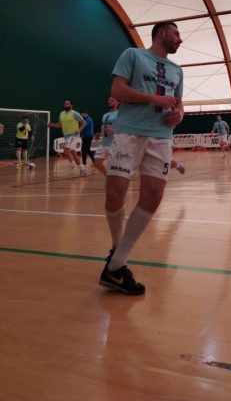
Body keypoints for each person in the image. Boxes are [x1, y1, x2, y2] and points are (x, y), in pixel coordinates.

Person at [99, 21, 184, 295]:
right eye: (176, 33)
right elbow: (117, 90)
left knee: (154, 195)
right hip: (129, 132)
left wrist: (179, 115)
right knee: (116, 190)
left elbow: (179, 104)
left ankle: (116, 265)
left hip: (162, 136)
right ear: (162, 33)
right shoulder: (133, 55)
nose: (180, 39)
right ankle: (117, 254)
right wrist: (153, 99)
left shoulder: (177, 70)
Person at [48, 99, 86, 175]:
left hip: (74, 135)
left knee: (66, 152)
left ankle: (73, 167)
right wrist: (52, 125)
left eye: (67, 104)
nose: (65, 105)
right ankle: (82, 168)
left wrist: (79, 130)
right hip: (66, 136)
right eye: (65, 103)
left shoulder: (75, 113)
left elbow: (83, 123)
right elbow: (60, 125)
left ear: (71, 105)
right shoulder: (61, 114)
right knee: (74, 153)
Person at [94, 97, 120, 176]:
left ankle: (115, 180)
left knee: (115, 167)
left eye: (112, 100)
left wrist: (113, 131)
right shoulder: (105, 115)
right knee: (96, 163)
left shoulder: (120, 114)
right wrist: (100, 134)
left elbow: (125, 130)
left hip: (114, 144)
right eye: (108, 100)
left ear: (117, 103)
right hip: (103, 144)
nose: (109, 102)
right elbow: (105, 128)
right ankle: (108, 177)